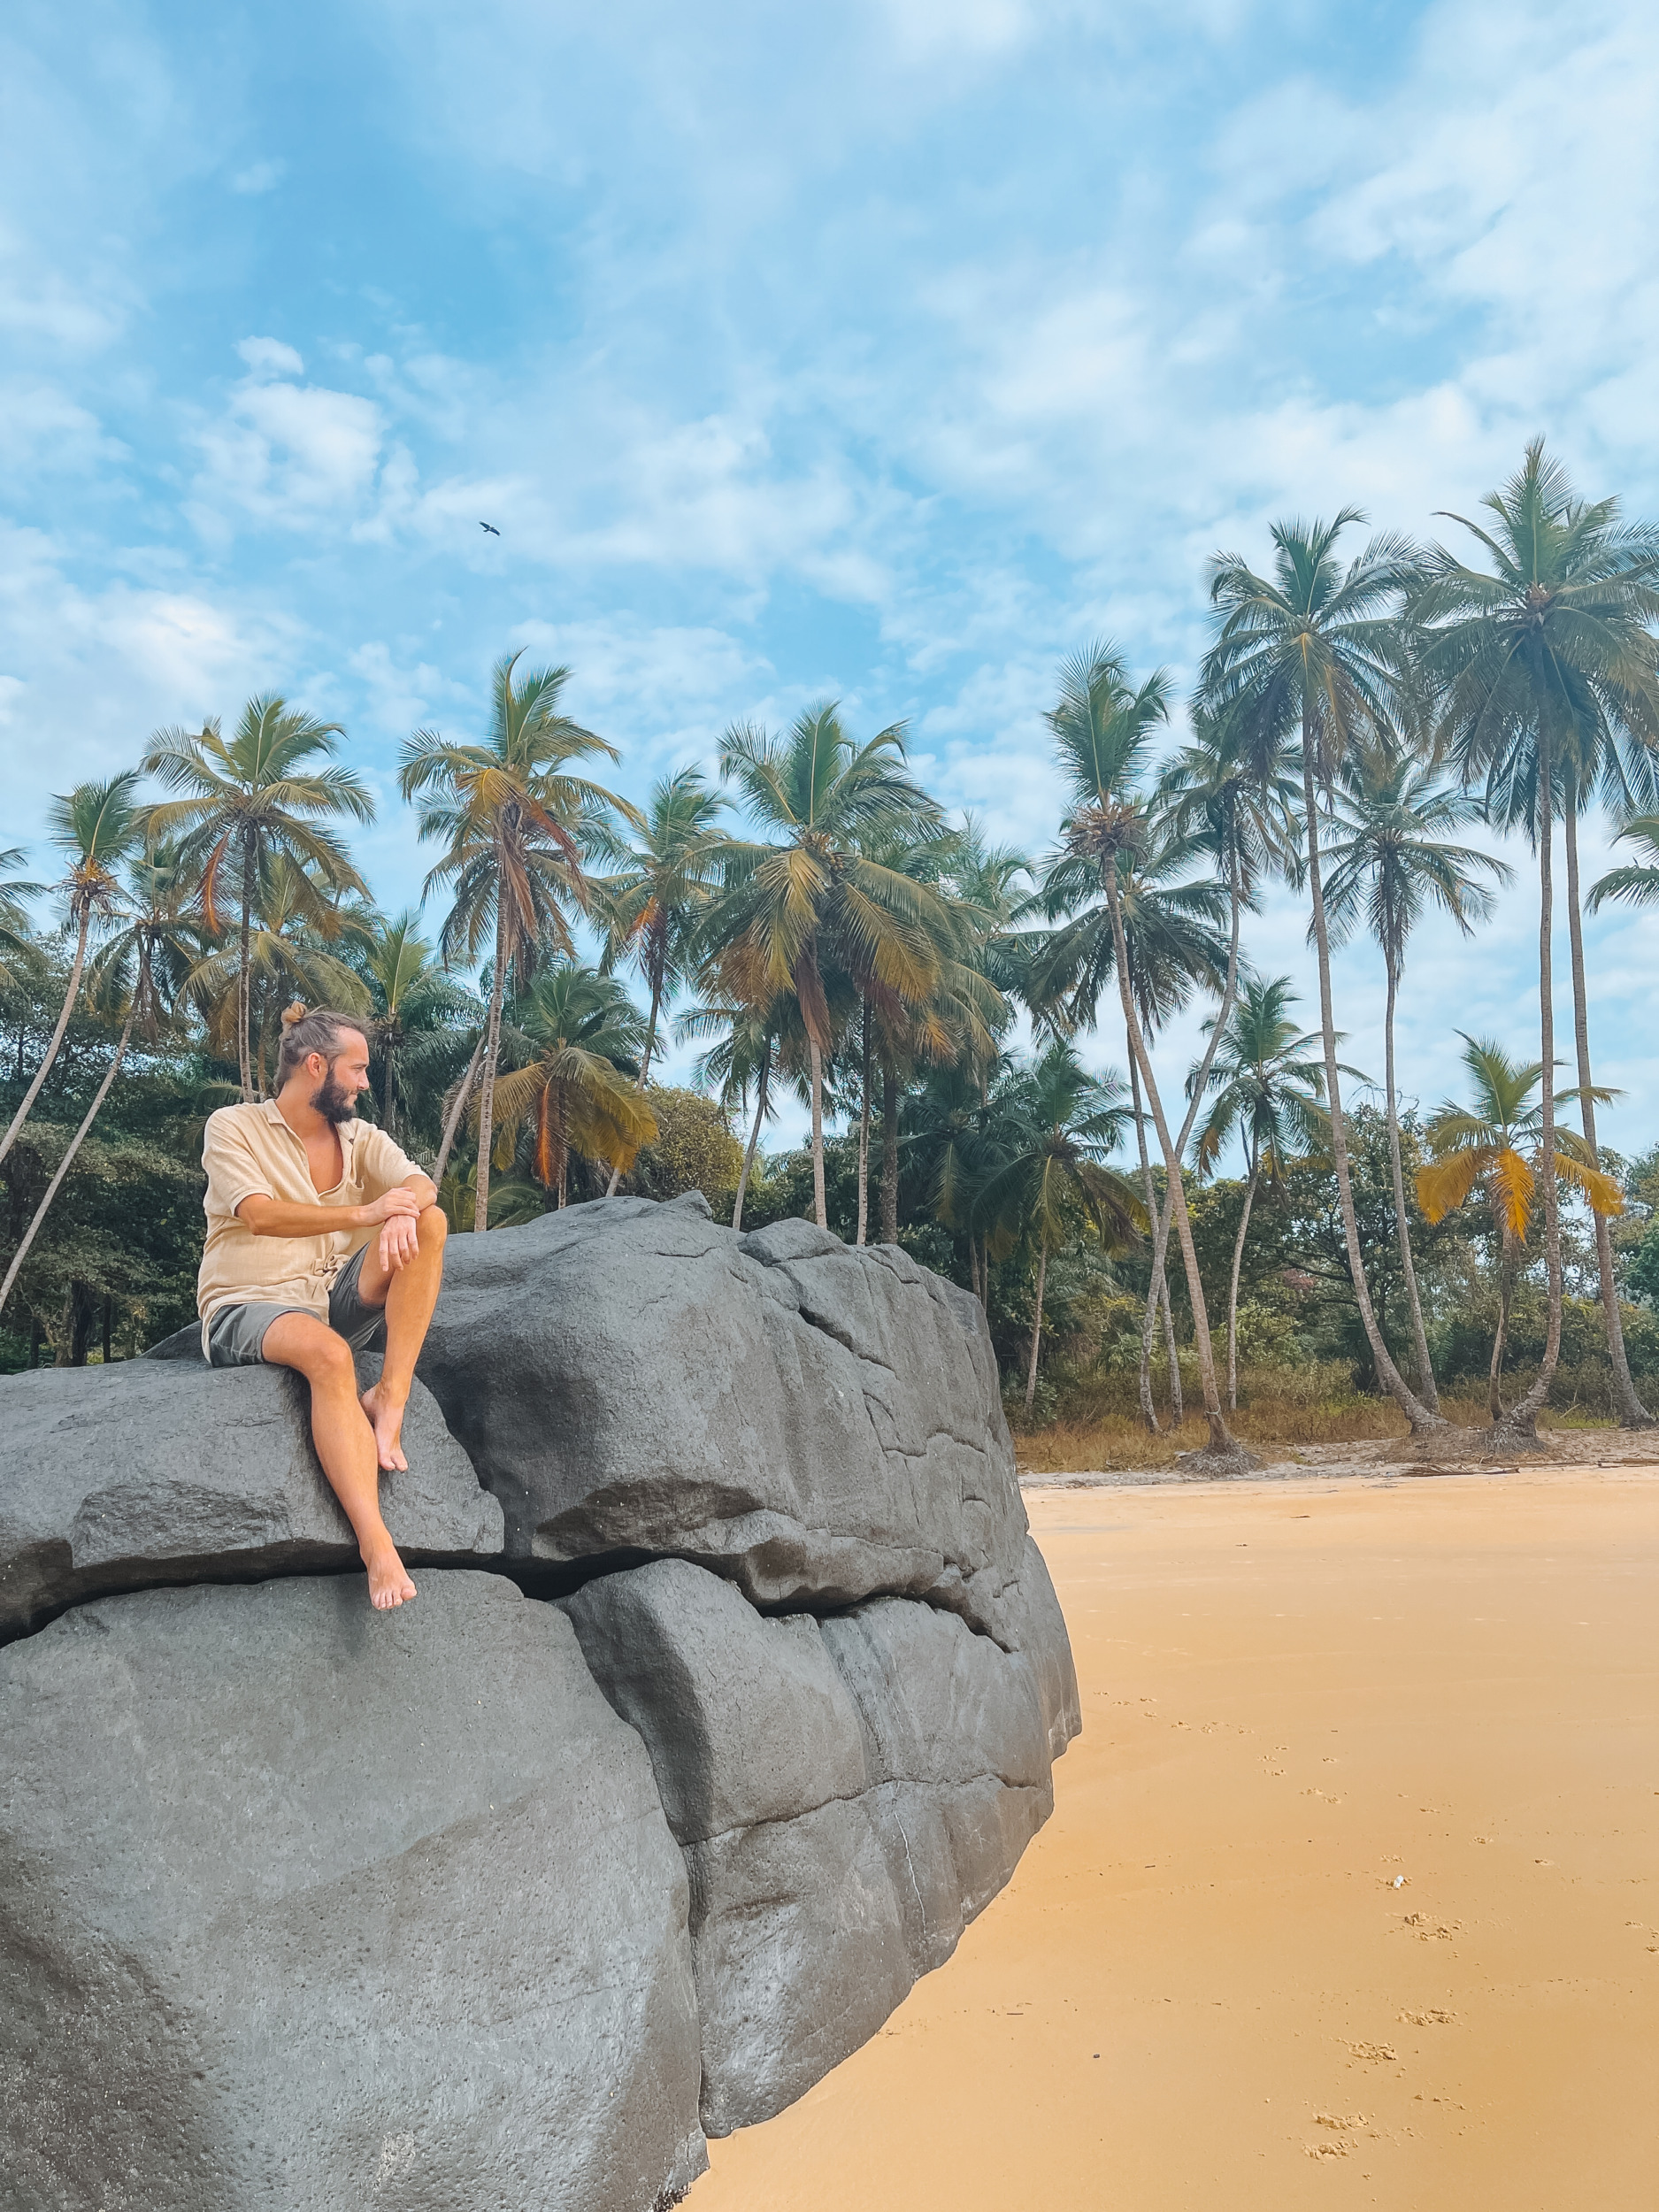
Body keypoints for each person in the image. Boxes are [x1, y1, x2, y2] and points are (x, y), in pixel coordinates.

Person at [196, 1002, 449, 1610]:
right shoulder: (234, 1126)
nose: (365, 1083)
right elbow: (258, 1214)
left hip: (329, 1296)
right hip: (247, 1303)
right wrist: (367, 1213)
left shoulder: (359, 1138)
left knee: (432, 1223)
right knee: (331, 1357)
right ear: (316, 1066)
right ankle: (376, 1544)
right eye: (357, 1070)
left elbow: (421, 1184)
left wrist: (404, 1210)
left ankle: (390, 1394)